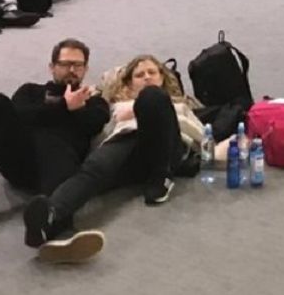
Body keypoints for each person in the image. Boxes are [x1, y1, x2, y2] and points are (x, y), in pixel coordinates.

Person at [0, 39, 111, 263]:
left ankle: (54, 223)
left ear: (86, 69)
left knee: (53, 141)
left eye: (78, 65)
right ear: (52, 67)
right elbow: (19, 115)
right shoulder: (31, 91)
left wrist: (76, 108)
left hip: (59, 169)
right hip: (21, 162)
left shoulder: (94, 101)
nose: (72, 70)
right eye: (65, 64)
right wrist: (64, 107)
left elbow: (94, 123)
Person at [23, 54, 204, 253]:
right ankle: (49, 218)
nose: (146, 77)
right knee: (94, 168)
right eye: (139, 75)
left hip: (165, 149)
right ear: (129, 84)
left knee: (152, 97)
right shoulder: (115, 106)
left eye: (152, 72)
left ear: (162, 77)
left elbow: (201, 136)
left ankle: (161, 179)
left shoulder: (179, 106)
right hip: (127, 147)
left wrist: (141, 110)